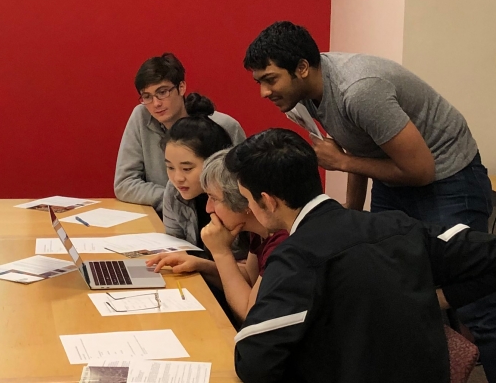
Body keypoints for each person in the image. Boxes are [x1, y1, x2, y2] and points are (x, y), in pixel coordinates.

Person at [244, 21, 495, 381]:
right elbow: (358, 145)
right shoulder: (299, 100)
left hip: (446, 175)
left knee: (480, 312)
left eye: (270, 79)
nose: (264, 93)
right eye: (259, 82)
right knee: (382, 280)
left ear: (301, 68)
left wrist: (342, 163)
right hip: (393, 170)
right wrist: (349, 218)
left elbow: (418, 170)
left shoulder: (359, 90)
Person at [225, 128, 496, 383]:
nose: (248, 207)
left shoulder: (296, 257)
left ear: (269, 201)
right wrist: (438, 298)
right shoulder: (401, 226)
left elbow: (252, 362)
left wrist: (435, 298)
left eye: (247, 199)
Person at [146, 149, 288, 323]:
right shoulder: (260, 232)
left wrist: (221, 252)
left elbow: (248, 312)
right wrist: (201, 265)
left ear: (244, 201)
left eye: (214, 198)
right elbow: (249, 280)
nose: (208, 208)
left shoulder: (282, 240)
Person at [114, 53, 246, 213]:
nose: (156, 103)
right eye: (147, 96)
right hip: (164, 215)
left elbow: (241, 188)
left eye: (162, 92)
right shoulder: (141, 116)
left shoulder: (223, 126)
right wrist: (174, 202)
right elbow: (124, 183)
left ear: (181, 87)